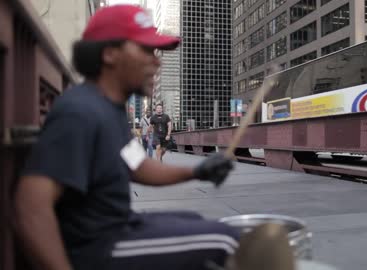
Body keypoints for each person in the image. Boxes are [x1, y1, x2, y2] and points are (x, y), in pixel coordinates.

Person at [14, 5, 238, 270]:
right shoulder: (79, 112)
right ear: (110, 54)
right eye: (146, 50)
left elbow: (137, 165)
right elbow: (30, 206)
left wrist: (199, 171)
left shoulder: (109, 108)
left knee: (195, 220)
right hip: (97, 245)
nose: (156, 61)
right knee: (227, 241)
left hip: (120, 223)